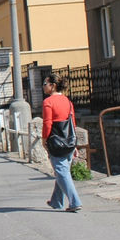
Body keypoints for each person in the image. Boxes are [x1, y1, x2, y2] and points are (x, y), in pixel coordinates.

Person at [41, 73, 83, 212]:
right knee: (62, 171)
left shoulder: (48, 102)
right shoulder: (67, 101)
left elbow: (48, 123)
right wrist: (74, 144)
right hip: (69, 141)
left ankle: (75, 202)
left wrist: (44, 139)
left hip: (56, 142)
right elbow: (73, 123)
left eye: (45, 84)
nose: (43, 86)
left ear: (52, 86)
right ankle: (56, 201)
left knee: (61, 172)